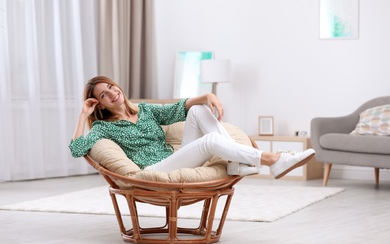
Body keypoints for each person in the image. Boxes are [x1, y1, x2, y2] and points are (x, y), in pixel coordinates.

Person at [69, 76, 315, 177]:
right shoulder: (104, 127)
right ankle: (273, 160)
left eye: (111, 87)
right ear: (99, 105)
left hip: (176, 158)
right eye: (103, 95)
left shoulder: (144, 110)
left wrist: (206, 96)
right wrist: (83, 115)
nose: (111, 93)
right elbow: (77, 149)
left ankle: (238, 163)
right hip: (156, 170)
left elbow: (178, 108)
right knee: (209, 142)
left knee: (197, 110)